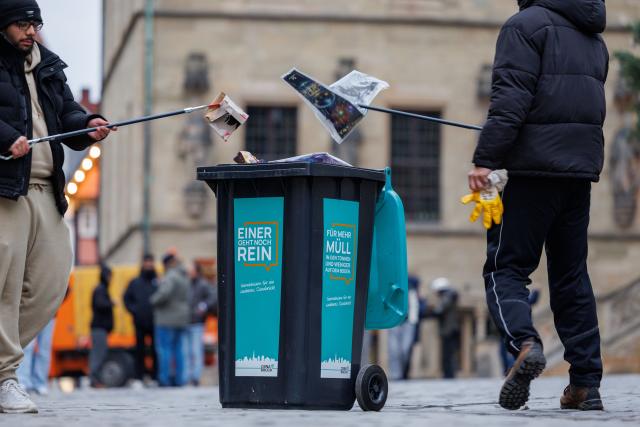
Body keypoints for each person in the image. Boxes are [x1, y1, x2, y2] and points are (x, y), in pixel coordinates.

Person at [468, 0, 608, 411]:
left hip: (532, 173)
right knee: (571, 277)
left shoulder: (523, 27)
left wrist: (485, 159)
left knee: (506, 267)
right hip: (578, 173)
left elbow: (511, 99)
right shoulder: (593, 37)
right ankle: (585, 384)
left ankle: (525, 344)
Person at [0, 0, 115, 414]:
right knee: (5, 286)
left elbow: (66, 113)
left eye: (35, 23)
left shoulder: (47, 63)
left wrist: (87, 126)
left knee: (51, 283)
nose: (31, 30)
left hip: (46, 189)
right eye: (21, 23)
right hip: (5, 188)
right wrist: (5, 137)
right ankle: (5, 377)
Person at [151, 253, 191, 387]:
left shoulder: (170, 276)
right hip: (181, 319)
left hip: (166, 319)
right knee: (178, 350)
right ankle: (180, 379)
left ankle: (165, 379)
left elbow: (163, 294)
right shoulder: (184, 276)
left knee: (164, 350)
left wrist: (153, 300)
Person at [124, 254, 158, 382]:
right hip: (139, 322)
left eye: (151, 262)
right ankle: (139, 376)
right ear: (143, 264)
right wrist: (134, 311)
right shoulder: (135, 282)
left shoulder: (157, 281)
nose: (149, 265)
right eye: (146, 262)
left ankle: (155, 376)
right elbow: (126, 298)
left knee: (155, 350)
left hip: (155, 322)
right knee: (139, 350)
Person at [387, 276, 426, 380]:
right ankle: (396, 374)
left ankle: (403, 373)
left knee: (405, 349)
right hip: (395, 323)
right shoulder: (394, 290)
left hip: (408, 323)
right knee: (394, 350)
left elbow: (419, 310)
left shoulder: (414, 295)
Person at [186, 263, 217, 386]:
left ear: (197, 271)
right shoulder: (188, 283)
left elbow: (213, 297)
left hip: (197, 322)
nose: (189, 273)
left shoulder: (203, 284)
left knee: (196, 351)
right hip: (186, 321)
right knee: (187, 352)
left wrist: (204, 306)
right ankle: (188, 376)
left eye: (191, 270)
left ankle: (196, 377)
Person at [424, 278, 460, 379]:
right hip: (449, 329)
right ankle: (448, 374)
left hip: (449, 330)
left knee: (447, 354)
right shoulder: (450, 295)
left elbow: (440, 309)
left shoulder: (448, 296)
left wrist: (430, 312)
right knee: (448, 354)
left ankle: (449, 375)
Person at [89, 264, 114, 388]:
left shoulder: (101, 289)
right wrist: (111, 302)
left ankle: (95, 379)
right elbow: (100, 304)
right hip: (99, 328)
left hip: (100, 328)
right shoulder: (100, 290)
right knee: (98, 354)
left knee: (100, 353)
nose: (111, 278)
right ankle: (94, 380)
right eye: (109, 275)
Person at [15, 319, 55, 396]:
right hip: (30, 309)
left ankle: (40, 383)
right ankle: (22, 381)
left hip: (50, 312)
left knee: (44, 348)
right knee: (27, 345)